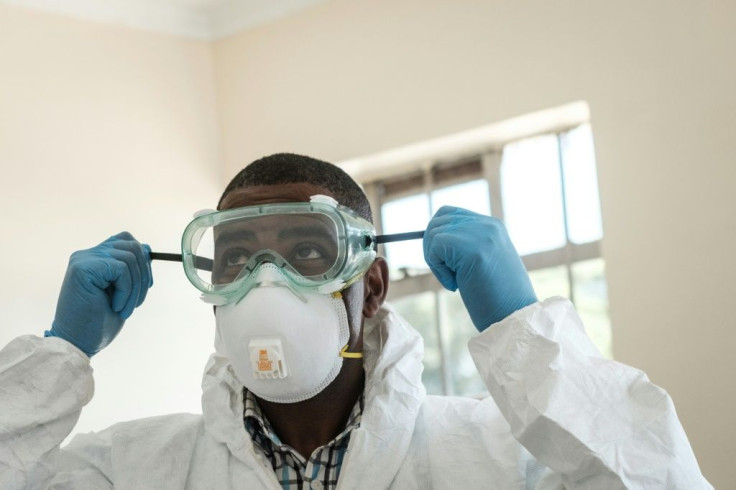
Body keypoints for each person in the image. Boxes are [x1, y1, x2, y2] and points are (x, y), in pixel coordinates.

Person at [0, 153, 710, 489]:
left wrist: (525, 332)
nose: (264, 284)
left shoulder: (500, 461)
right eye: (236, 258)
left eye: (307, 251)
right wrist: (59, 356)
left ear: (370, 287)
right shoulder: (133, 472)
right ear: (210, 288)